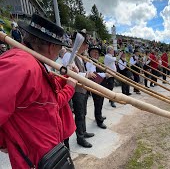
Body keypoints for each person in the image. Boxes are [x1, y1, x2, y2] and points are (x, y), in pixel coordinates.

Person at [0, 14, 77, 168]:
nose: (60, 52)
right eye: (60, 47)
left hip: (48, 154)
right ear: (51, 47)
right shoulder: (21, 64)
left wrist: (65, 79)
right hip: (35, 159)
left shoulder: (33, 63)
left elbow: (43, 96)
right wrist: (4, 141)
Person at [63, 31, 95, 148]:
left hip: (82, 89)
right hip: (76, 90)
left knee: (83, 113)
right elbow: (69, 74)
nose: (87, 46)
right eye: (85, 44)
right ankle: (80, 137)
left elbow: (80, 71)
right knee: (80, 114)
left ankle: (83, 131)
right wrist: (86, 75)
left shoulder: (80, 57)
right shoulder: (68, 55)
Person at [86, 45, 108, 129]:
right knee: (98, 102)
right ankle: (99, 121)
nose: (96, 54)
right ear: (90, 53)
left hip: (100, 84)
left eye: (97, 52)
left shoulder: (96, 61)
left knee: (100, 101)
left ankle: (99, 116)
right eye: (94, 52)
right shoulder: (89, 62)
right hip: (95, 85)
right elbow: (93, 75)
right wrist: (104, 74)